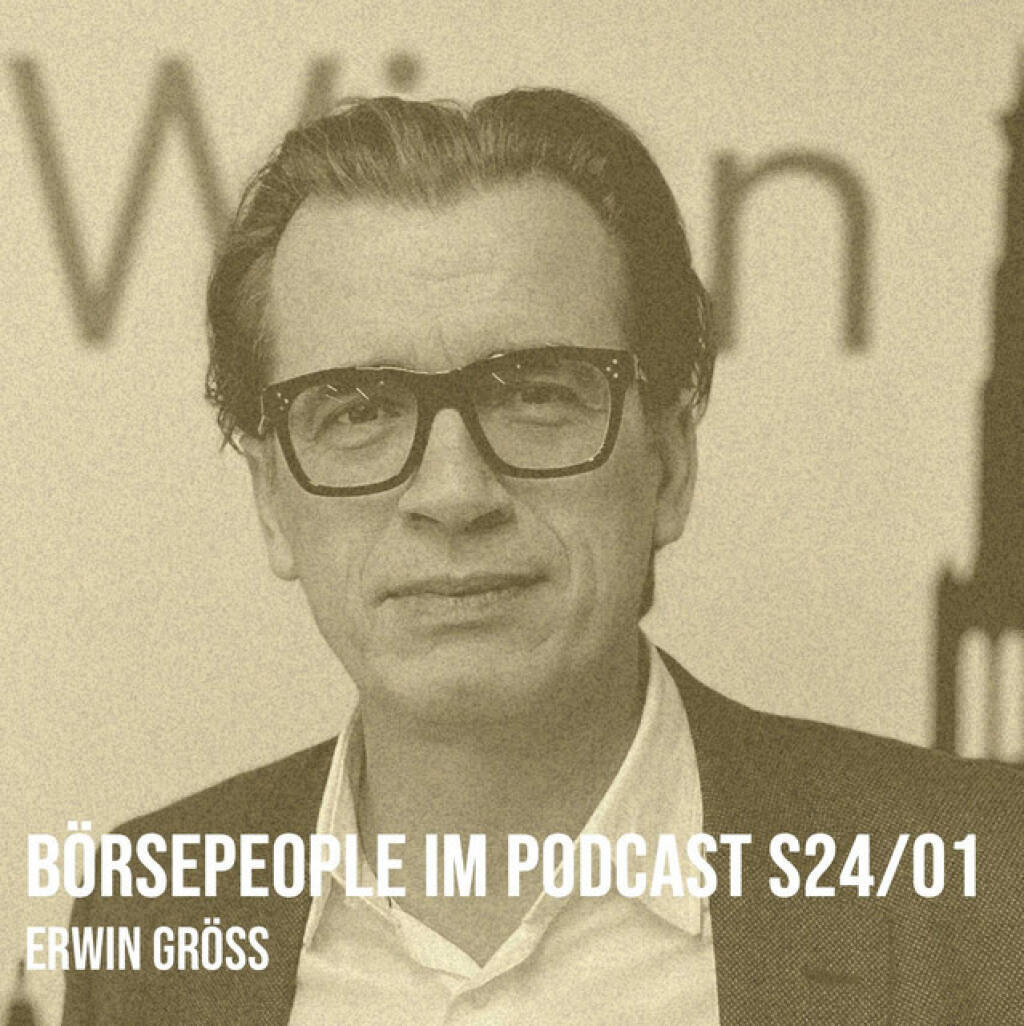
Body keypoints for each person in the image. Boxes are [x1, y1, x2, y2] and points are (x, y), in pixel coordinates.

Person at [62, 88, 1023, 1026]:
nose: (453, 495)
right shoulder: (152, 914)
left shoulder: (989, 887)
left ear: (670, 465)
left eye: (536, 395)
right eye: (359, 411)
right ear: (273, 501)